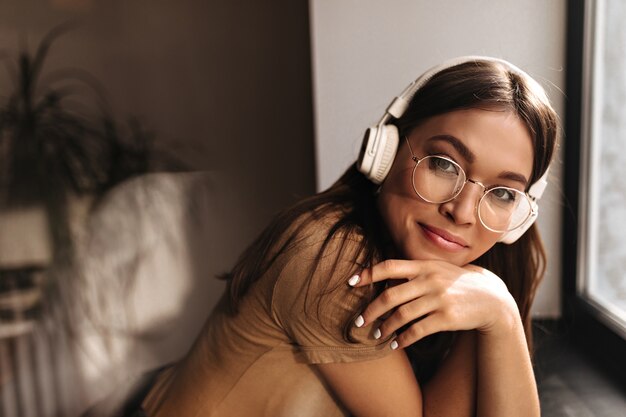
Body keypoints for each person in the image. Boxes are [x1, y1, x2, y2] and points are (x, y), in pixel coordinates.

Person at [139, 55, 559, 416]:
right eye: (444, 165)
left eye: (503, 193)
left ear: (518, 217)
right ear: (385, 150)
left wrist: (497, 315)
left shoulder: (461, 281)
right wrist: (499, 314)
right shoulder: (328, 255)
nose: (463, 212)